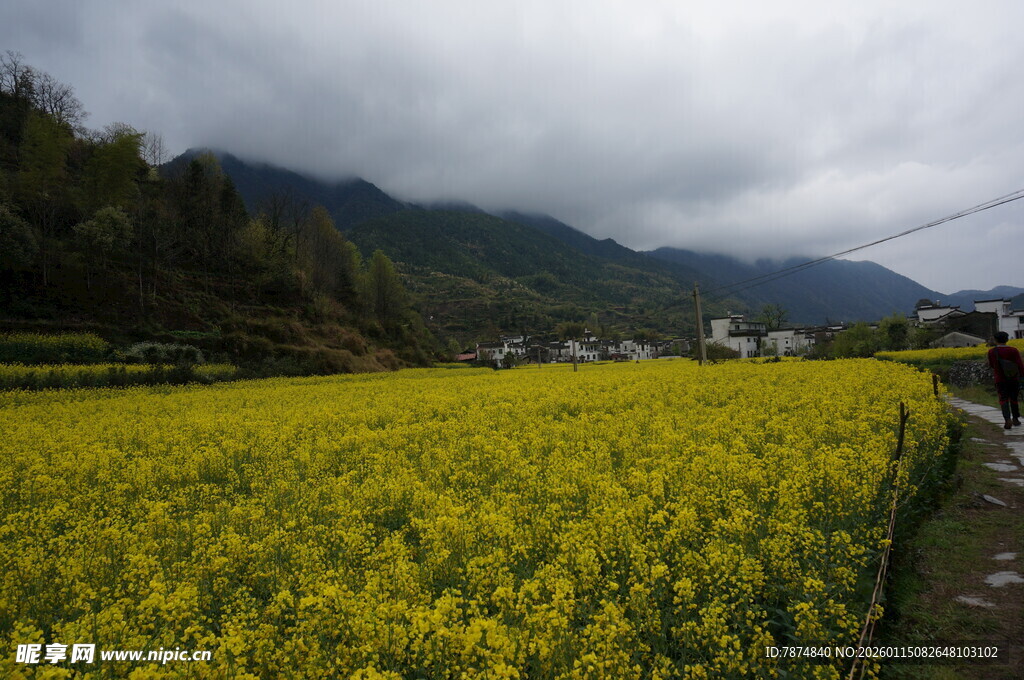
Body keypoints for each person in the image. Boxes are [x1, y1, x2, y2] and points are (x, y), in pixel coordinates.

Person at [987, 332, 1024, 429]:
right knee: (1014, 399)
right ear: (1007, 340)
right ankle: (1016, 419)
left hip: (1000, 379)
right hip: (1013, 378)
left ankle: (1007, 419)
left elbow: (991, 365)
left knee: (1003, 399)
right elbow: (1020, 365)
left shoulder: (992, 352)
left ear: (995, 340)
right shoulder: (1013, 350)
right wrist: (1022, 377)